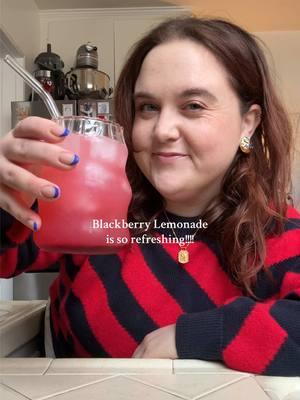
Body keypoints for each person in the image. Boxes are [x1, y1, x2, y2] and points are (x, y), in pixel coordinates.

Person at [1, 16, 300, 376]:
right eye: (148, 107)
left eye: (193, 105)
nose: (162, 130)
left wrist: (203, 334)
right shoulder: (97, 217)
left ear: (248, 123)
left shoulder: (283, 235)